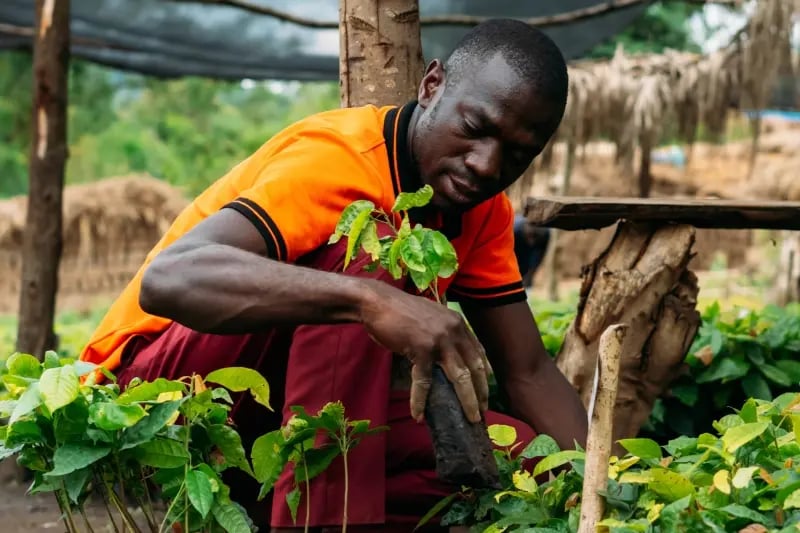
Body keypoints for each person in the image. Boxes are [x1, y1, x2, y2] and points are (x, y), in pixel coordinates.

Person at [80, 18, 588, 532]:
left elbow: (528, 372)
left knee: (523, 459)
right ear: (432, 86)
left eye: (518, 155)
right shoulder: (339, 158)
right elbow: (167, 279)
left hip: (285, 410)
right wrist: (370, 301)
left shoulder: (484, 211)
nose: (486, 164)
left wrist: (605, 486)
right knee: (373, 248)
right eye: (476, 128)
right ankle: (324, 522)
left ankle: (281, 513)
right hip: (155, 398)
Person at [513, 214, 551, 289]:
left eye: (535, 236)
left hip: (528, 258)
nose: (532, 242)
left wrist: (530, 275)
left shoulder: (545, 233)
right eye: (531, 236)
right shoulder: (514, 230)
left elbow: (540, 256)